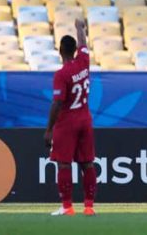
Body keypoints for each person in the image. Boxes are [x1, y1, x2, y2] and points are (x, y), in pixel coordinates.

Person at [44, 19, 96, 216]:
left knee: (64, 163)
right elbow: (84, 43)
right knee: (87, 163)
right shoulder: (84, 62)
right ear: (75, 50)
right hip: (85, 119)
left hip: (67, 123)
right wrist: (80, 27)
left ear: (60, 51)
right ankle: (89, 207)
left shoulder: (61, 74)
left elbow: (57, 103)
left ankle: (67, 207)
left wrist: (49, 129)